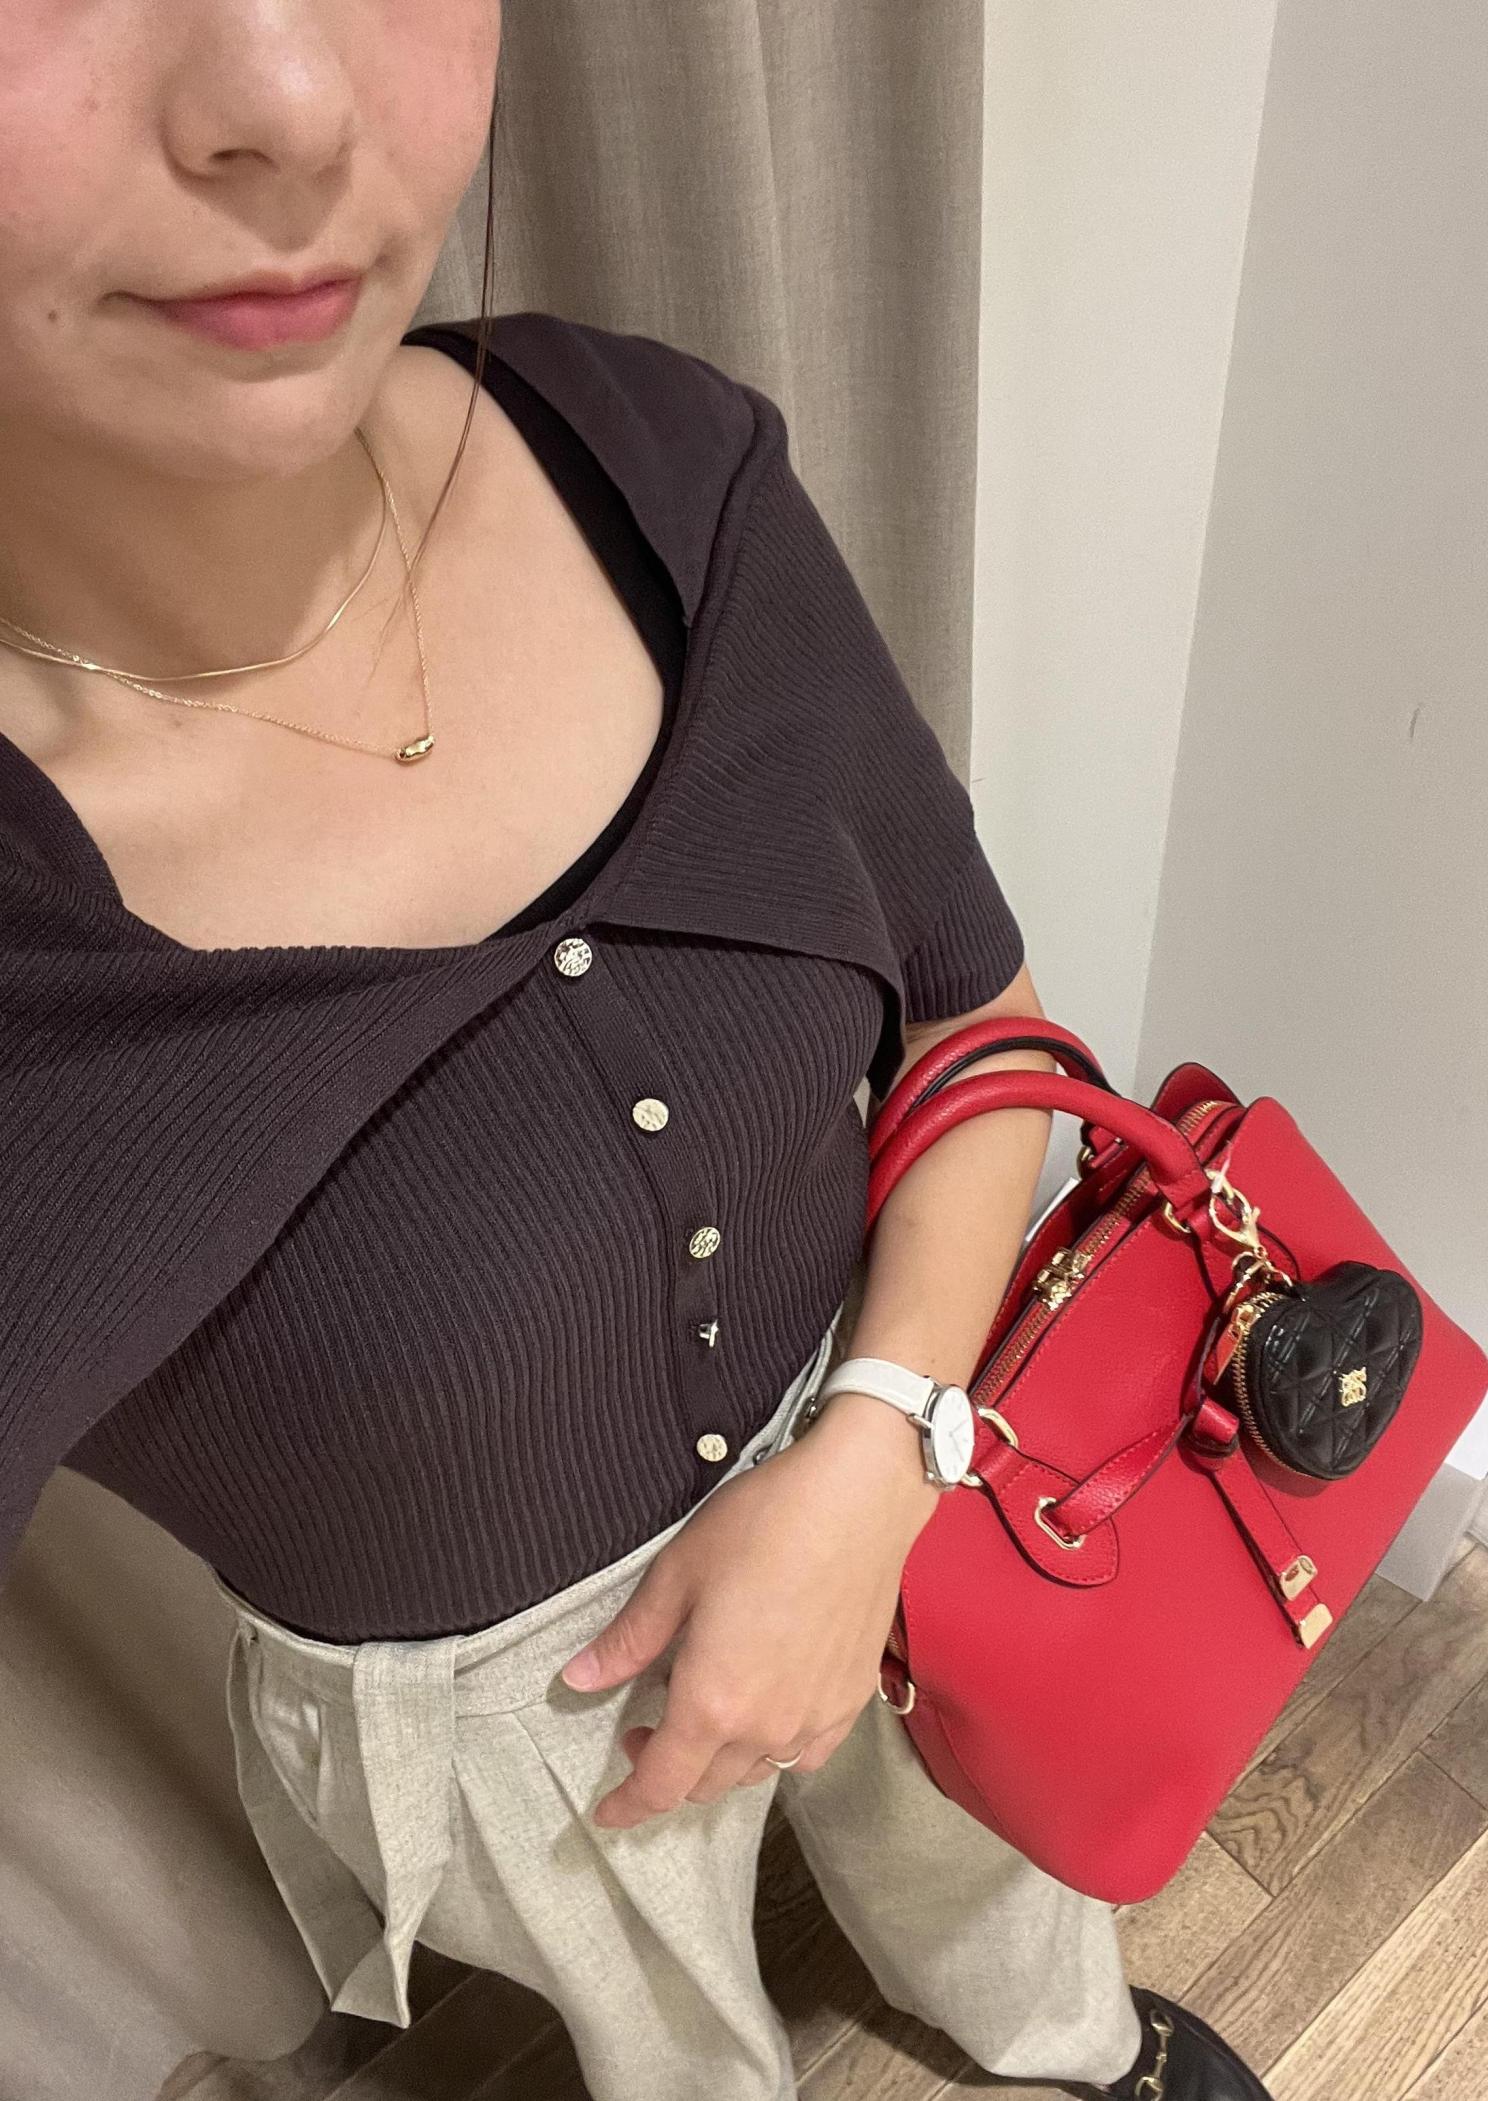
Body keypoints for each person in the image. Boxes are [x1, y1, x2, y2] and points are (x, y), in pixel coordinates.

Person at [0, 7, 1272, 2099]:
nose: (288, 101)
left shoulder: (663, 466)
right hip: (506, 1719)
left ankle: (1077, 2049)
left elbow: (980, 1014)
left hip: (908, 1436)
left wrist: (879, 1453)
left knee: (990, 1861)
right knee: (672, 2045)